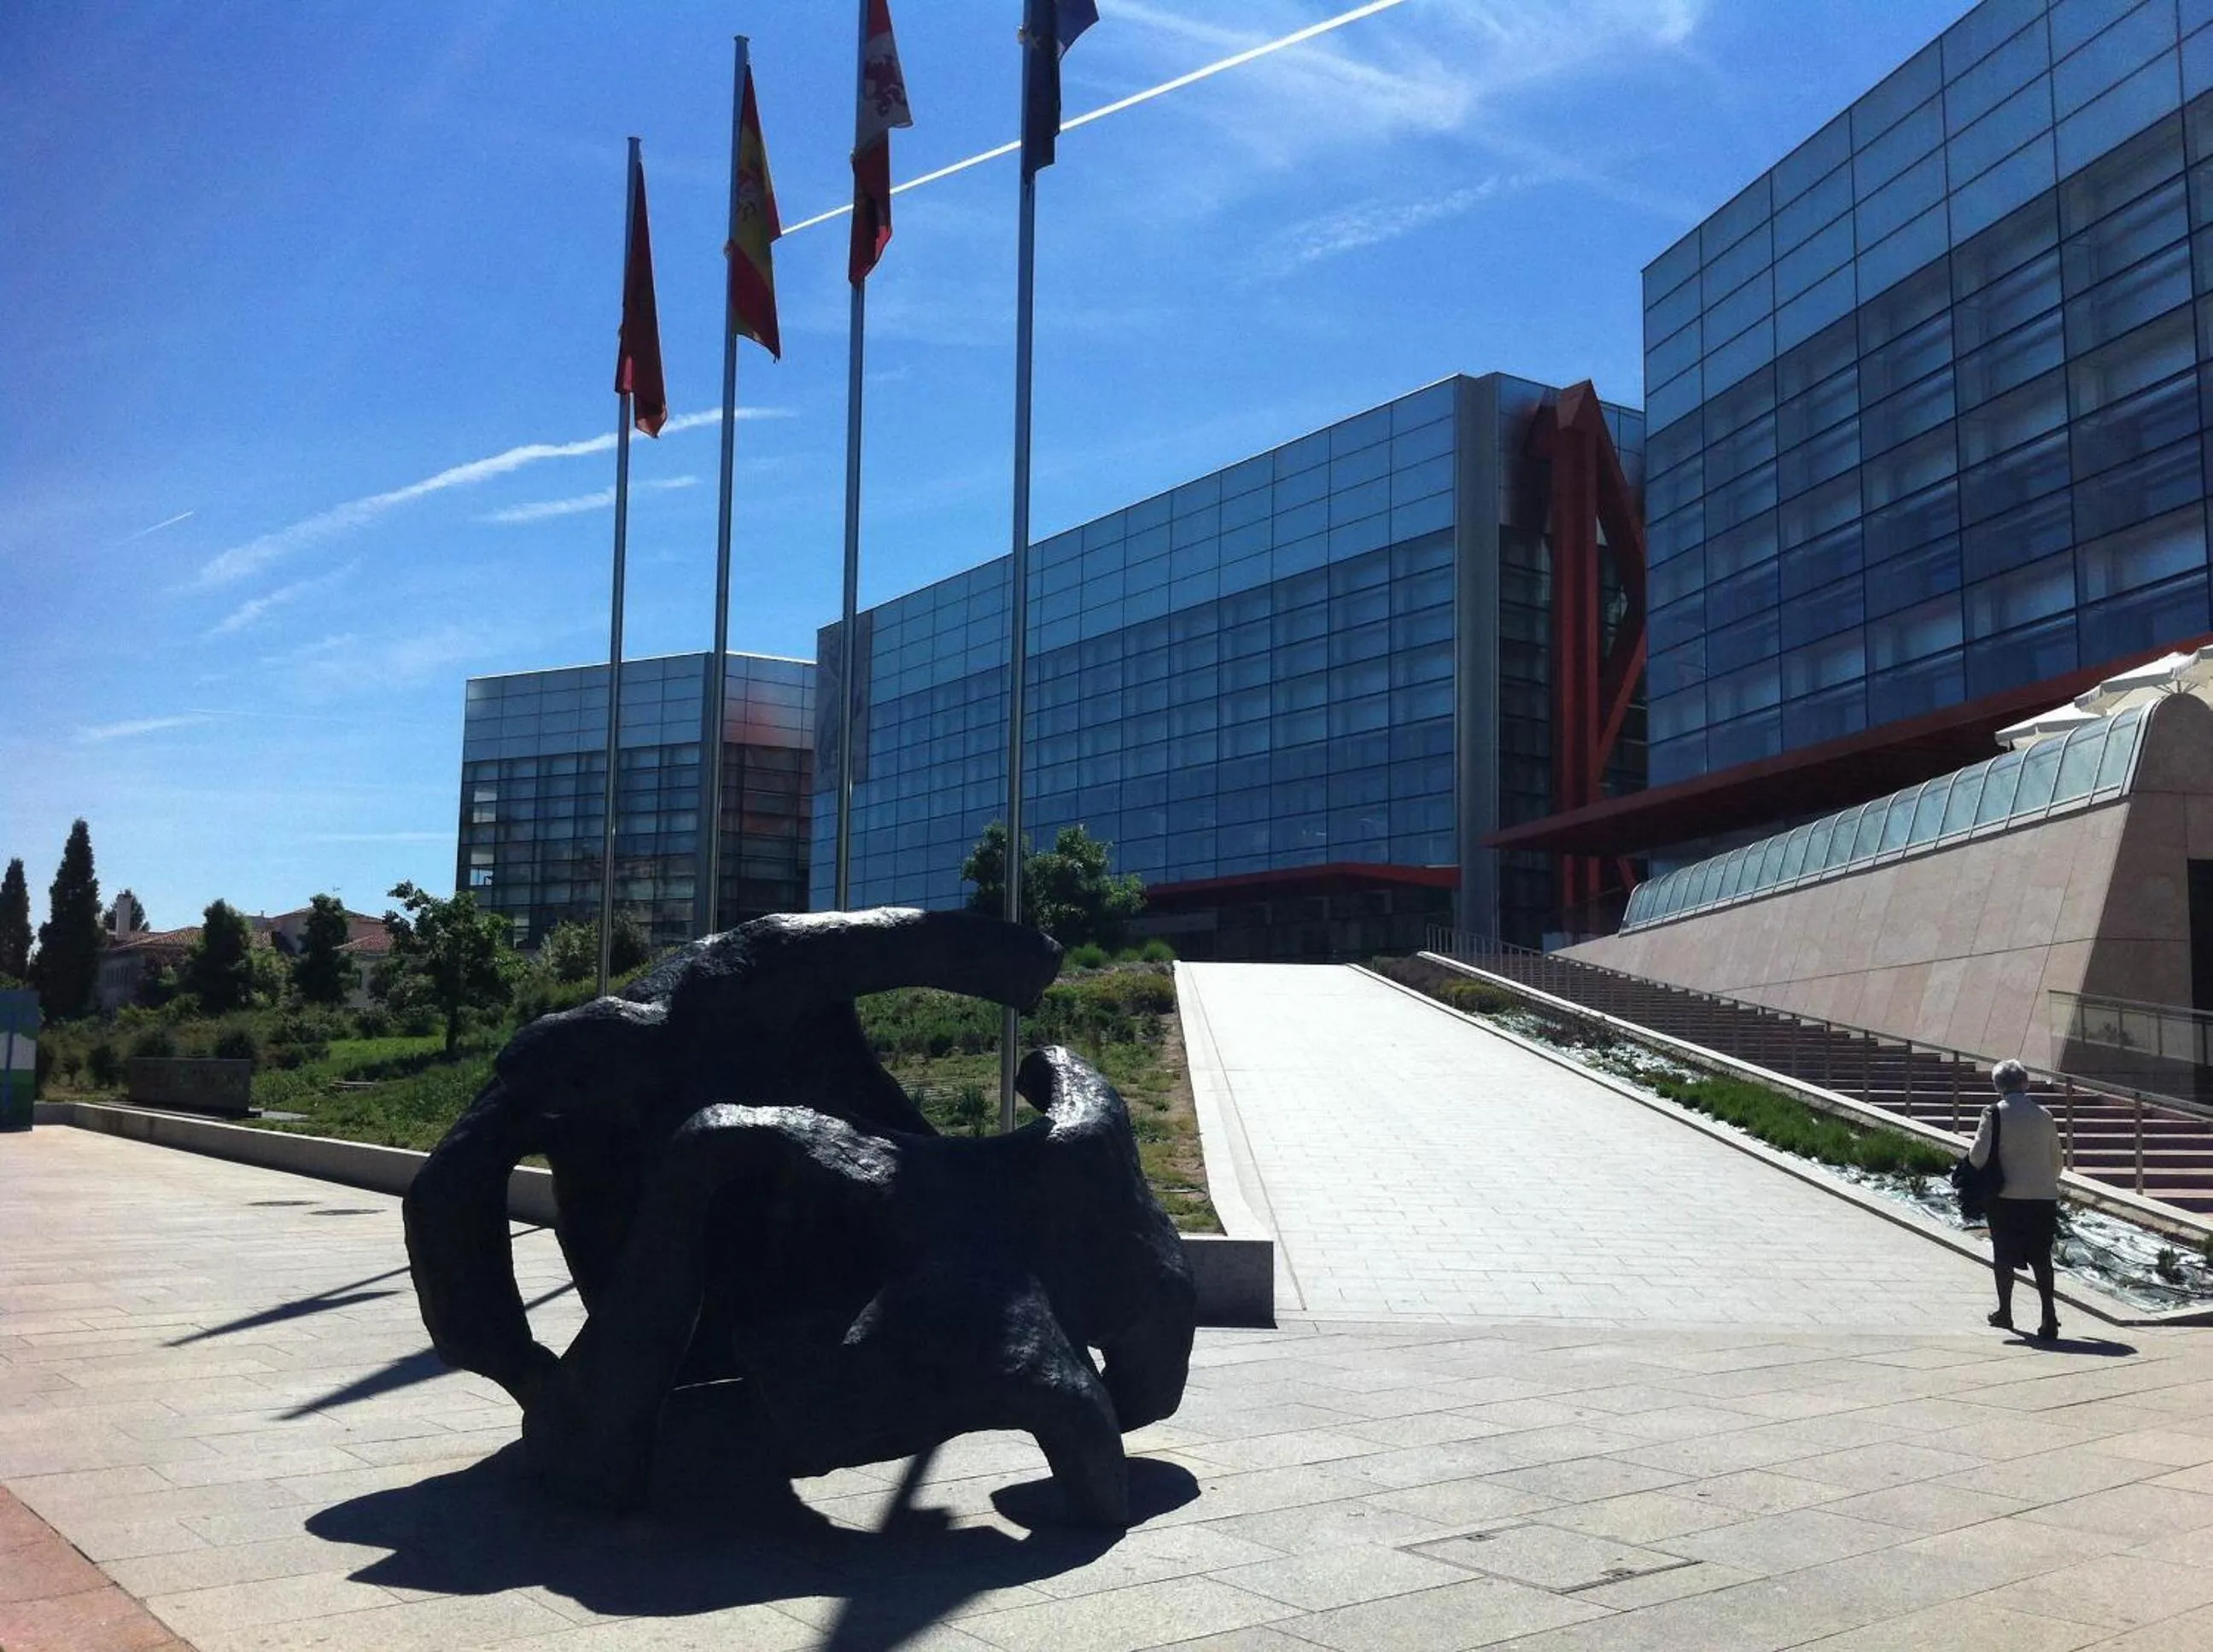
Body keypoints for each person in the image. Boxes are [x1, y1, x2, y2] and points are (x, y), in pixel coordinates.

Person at [1968, 1058, 2064, 1340]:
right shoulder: (2044, 1115)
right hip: (2042, 1196)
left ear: (1997, 1085)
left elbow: (1977, 1156)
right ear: (2025, 1082)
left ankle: (2005, 1312)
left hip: (2005, 1197)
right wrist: (2043, 1181)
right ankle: (2048, 1314)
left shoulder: (1993, 1114)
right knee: (2041, 1257)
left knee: (2004, 1254)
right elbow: (2056, 1161)